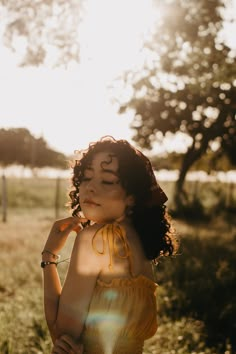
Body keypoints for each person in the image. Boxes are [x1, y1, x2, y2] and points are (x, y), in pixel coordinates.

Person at [41, 136, 178, 354]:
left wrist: (49, 256)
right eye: (86, 178)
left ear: (132, 196)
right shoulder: (138, 241)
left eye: (107, 181)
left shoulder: (95, 239)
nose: (90, 188)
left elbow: (63, 337)